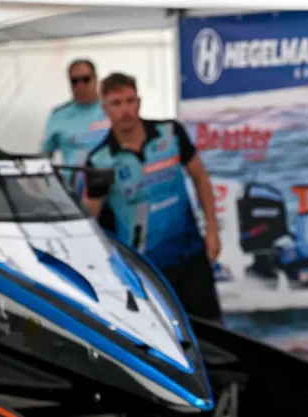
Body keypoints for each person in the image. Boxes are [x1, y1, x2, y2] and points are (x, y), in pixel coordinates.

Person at [83, 72, 223, 323]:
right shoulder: (100, 161)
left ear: (139, 102)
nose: (124, 110)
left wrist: (212, 230)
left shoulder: (170, 132)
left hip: (190, 257)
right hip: (144, 271)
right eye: (116, 103)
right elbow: (89, 220)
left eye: (130, 101)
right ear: (105, 109)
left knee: (211, 332)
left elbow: (200, 176)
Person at [42, 59, 109, 189]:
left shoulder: (112, 108)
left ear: (96, 79)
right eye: (75, 81)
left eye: (86, 79)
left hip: (113, 186)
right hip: (75, 188)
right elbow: (44, 156)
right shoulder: (59, 116)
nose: (80, 85)